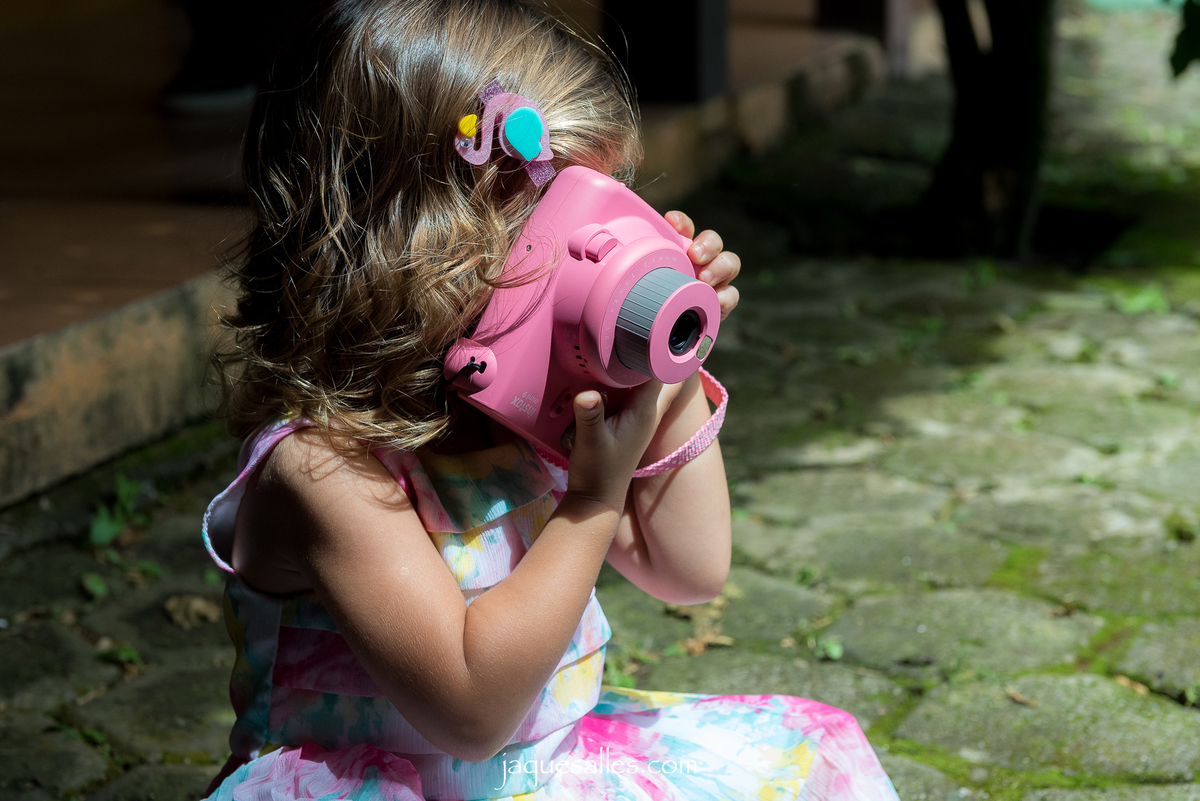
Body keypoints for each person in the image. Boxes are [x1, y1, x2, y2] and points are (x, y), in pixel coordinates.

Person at [200, 1, 900, 798]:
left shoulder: (534, 402)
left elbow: (692, 569)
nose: (592, 251)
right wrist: (594, 502)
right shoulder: (322, 467)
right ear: (409, 246)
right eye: (555, 223)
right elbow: (469, 705)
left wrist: (659, 369)